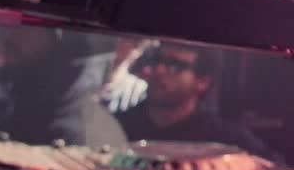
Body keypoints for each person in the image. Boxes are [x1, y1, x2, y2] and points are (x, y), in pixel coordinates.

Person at [117, 43, 274, 158]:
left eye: (175, 66)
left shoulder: (228, 140)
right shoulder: (117, 127)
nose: (159, 70)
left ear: (203, 82)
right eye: (157, 61)